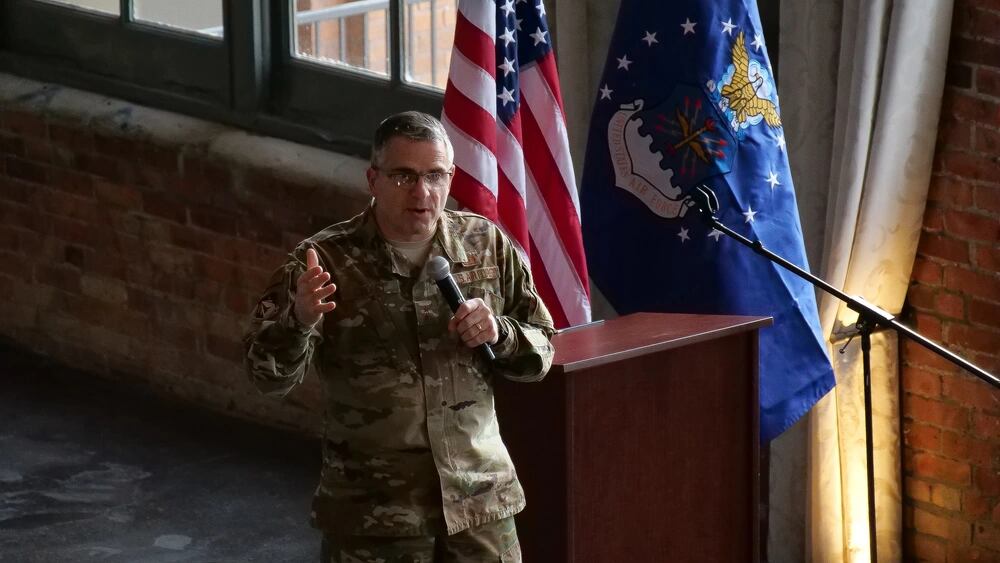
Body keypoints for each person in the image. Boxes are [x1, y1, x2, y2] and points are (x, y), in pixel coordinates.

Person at [243, 111, 555, 563]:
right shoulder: (322, 261)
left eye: (435, 175)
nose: (422, 192)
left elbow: (542, 350)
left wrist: (500, 333)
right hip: (375, 516)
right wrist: (300, 318)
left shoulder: (486, 244)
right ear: (373, 179)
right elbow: (266, 377)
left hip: (480, 504)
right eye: (403, 176)